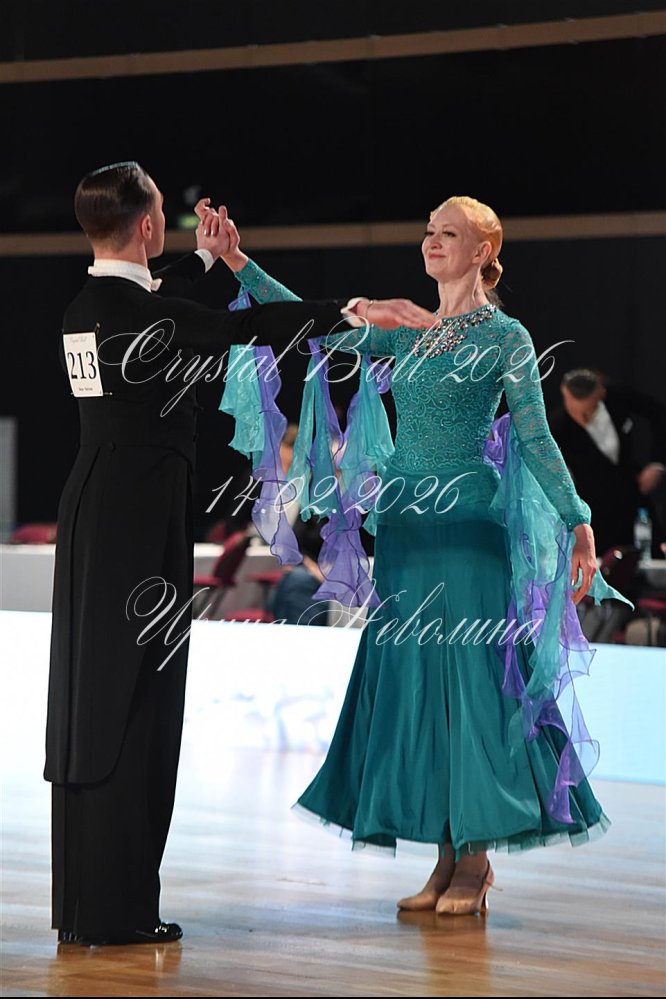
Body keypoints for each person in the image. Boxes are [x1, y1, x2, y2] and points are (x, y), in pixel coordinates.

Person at [44, 160, 434, 947]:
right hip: (137, 521)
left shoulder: (87, 306)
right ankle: (118, 910)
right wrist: (349, 310)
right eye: (165, 214)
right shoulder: (139, 311)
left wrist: (209, 258)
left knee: (93, 702)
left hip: (95, 512)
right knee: (135, 704)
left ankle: (87, 905)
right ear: (147, 225)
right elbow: (231, 330)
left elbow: (163, 296)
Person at [213, 194, 634, 917]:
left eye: (449, 233)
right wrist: (236, 260)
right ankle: (446, 854)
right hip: (406, 529)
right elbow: (311, 324)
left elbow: (535, 437)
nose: (432, 241)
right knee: (419, 691)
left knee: (471, 689)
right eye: (429, 231)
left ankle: (474, 860)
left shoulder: (505, 336)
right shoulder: (406, 330)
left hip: (468, 530)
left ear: (483, 252)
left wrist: (580, 521)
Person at [550, 368, 666, 558]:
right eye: (575, 412)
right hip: (596, 514)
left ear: (601, 393)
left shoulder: (618, 398)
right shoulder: (557, 426)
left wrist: (657, 463)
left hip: (634, 500)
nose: (583, 420)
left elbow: (659, 414)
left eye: (589, 411)